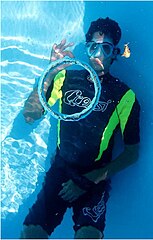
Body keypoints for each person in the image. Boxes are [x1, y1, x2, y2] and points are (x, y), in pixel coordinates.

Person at [21, 17, 140, 239]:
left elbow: (132, 153)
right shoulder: (65, 76)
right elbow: (31, 115)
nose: (97, 54)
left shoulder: (124, 95)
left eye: (105, 48)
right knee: (31, 233)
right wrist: (50, 70)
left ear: (114, 52)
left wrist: (90, 179)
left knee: (88, 236)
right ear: (87, 49)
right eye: (93, 46)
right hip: (61, 170)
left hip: (95, 177)